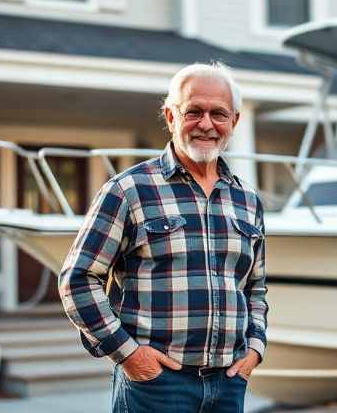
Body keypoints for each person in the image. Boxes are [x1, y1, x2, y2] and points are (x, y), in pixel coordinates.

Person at [59, 62, 268, 413]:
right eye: (193, 111)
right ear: (171, 117)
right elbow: (77, 280)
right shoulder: (127, 190)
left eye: (218, 113)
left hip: (229, 384)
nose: (206, 124)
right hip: (156, 386)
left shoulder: (248, 200)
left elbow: (256, 288)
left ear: (234, 121)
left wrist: (255, 349)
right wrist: (129, 355)